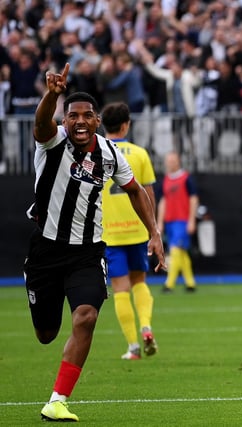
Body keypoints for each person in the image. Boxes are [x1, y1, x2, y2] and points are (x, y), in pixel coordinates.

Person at [24, 63, 166, 422]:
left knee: (85, 317)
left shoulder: (109, 153)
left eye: (88, 115)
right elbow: (41, 123)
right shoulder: (51, 140)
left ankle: (58, 400)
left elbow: (135, 190)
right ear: (65, 120)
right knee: (46, 333)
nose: (81, 121)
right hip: (45, 252)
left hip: (88, 252)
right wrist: (52, 94)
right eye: (74, 116)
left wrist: (154, 232)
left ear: (98, 121)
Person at [101, 102, 159, 360]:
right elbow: (147, 193)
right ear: (126, 125)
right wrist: (153, 227)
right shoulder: (139, 153)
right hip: (137, 230)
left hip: (110, 233)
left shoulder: (96, 152)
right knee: (140, 282)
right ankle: (146, 326)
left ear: (104, 125)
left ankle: (133, 347)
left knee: (120, 288)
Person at [157, 152, 199, 292]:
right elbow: (163, 201)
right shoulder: (166, 180)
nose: (170, 163)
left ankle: (169, 284)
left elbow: (193, 199)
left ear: (178, 162)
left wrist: (192, 220)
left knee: (175, 251)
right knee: (181, 252)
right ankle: (190, 283)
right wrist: (160, 222)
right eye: (168, 161)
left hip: (182, 220)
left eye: (172, 161)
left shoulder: (186, 178)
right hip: (170, 220)